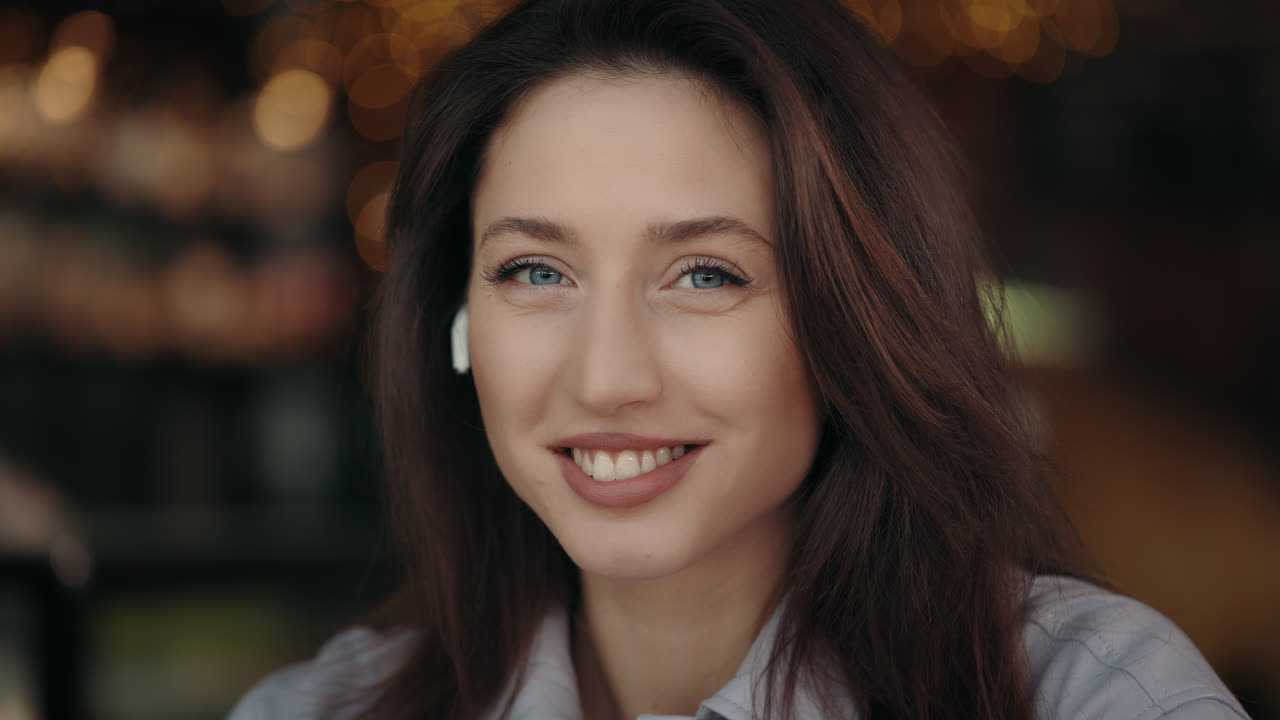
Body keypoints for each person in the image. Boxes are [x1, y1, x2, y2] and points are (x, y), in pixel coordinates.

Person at [229, 0, 1249, 718]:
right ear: (457, 322)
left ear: (849, 317)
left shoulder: (1095, 695)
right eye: (535, 272)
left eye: (705, 275)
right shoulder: (317, 711)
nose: (606, 377)